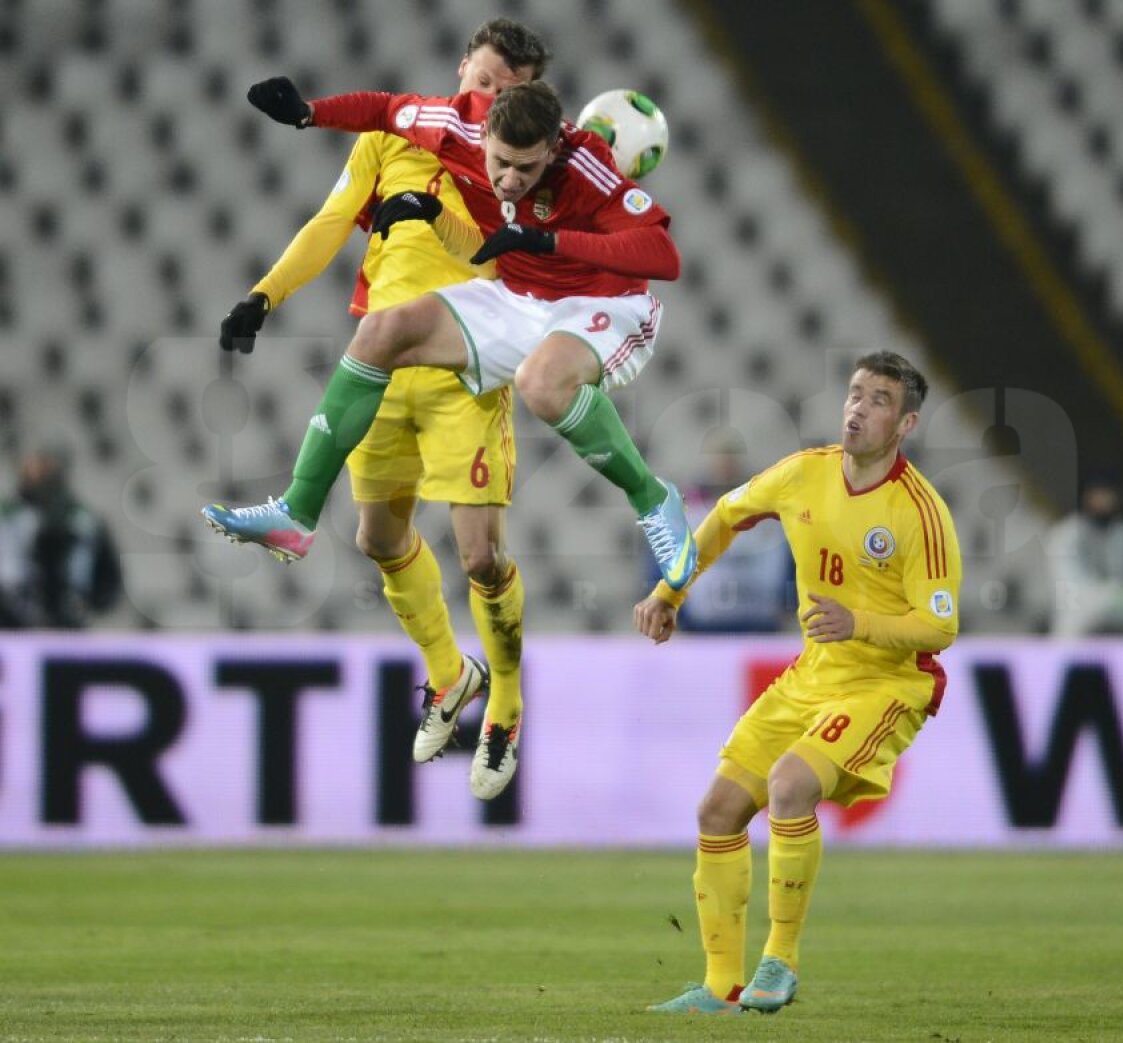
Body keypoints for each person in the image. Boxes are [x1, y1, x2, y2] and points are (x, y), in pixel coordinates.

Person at [201, 77, 696, 617]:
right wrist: (308, 114)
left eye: (526, 169)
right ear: (484, 136)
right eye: (500, 162)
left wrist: (547, 240)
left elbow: (663, 255)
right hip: (519, 296)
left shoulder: (585, 163)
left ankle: (652, 499)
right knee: (381, 333)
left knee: (542, 383)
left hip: (601, 302)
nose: (509, 180)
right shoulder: (454, 127)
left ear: (553, 149)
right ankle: (296, 514)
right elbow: (385, 109)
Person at [211, 19, 549, 801]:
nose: (488, 95)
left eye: (508, 91)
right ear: (463, 63)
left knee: (481, 559)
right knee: (377, 536)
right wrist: (264, 295)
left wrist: (466, 222)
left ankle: (504, 700)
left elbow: (522, 256)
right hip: (380, 369)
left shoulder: (513, 168)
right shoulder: (389, 139)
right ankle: (446, 672)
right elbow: (331, 224)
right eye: (486, 77)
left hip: (464, 366)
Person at [635, 352, 961, 1015]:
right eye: (855, 393)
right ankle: (721, 984)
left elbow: (939, 626)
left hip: (887, 686)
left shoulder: (920, 512)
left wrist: (858, 620)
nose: (858, 408)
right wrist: (670, 590)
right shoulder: (803, 472)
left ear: (906, 423)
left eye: (878, 400)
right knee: (717, 810)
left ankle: (779, 962)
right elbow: (725, 516)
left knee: (789, 783)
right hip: (811, 673)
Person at [643, 426, 793, 633]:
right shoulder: (684, 511)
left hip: (760, 625)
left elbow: (790, 559)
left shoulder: (769, 509)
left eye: (730, 455)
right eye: (720, 456)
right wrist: (677, 612)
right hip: (701, 627)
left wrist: (788, 605)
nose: (725, 463)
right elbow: (661, 562)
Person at [0, 446, 122, 629]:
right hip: (13, 620)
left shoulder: (83, 520)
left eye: (44, 470)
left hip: (68, 619)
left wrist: (90, 600)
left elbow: (108, 575)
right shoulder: (8, 516)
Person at [1044, 474, 1123, 637]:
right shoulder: (1067, 535)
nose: (1105, 500)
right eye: (1099, 494)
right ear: (1086, 497)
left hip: (1122, 623)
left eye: (1110, 495)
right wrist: (1117, 595)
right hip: (1079, 624)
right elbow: (1072, 588)